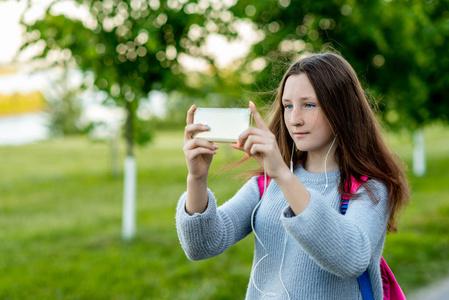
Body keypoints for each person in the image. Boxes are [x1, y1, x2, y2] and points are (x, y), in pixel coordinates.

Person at [176, 52, 409, 299]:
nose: (294, 119)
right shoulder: (265, 185)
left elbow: (351, 260)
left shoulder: (369, 188)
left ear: (341, 108)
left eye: (309, 105)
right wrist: (197, 179)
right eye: (288, 106)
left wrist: (284, 176)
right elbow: (202, 245)